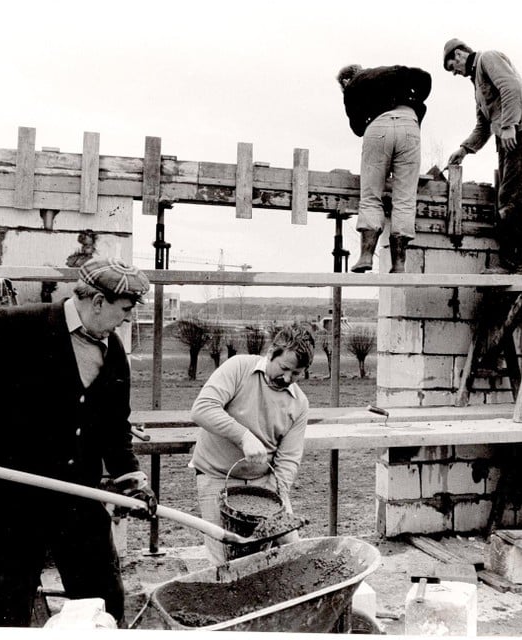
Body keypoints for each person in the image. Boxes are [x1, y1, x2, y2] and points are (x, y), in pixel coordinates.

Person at [0, 257, 156, 627]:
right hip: (15, 493)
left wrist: (130, 478)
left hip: (78, 493)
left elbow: (113, 424)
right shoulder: (19, 326)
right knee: (10, 602)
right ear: (98, 302)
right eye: (124, 311)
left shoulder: (114, 350)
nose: (127, 320)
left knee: (103, 599)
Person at [189, 324, 315, 565]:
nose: (288, 378)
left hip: (264, 485)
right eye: (284, 368)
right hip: (217, 478)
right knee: (226, 559)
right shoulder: (238, 368)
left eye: (296, 373)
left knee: (292, 553)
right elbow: (202, 409)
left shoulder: (299, 404)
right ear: (271, 354)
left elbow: (288, 459)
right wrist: (243, 436)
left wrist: (273, 500)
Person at [443, 38, 522, 274]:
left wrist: (509, 125)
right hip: (510, 138)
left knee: (510, 200)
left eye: (452, 67)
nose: (454, 73)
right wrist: (465, 149)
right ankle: (513, 263)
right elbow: (483, 124)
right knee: (505, 200)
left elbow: (511, 87)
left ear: (459, 54)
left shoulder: (487, 57)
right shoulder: (476, 82)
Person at [337, 63, 432, 274]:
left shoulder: (353, 86)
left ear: (345, 81)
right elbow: (425, 77)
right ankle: (399, 264)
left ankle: (366, 256)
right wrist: (414, 99)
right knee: (405, 198)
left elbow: (358, 128)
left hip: (378, 127)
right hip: (410, 124)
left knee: (371, 195)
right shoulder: (392, 72)